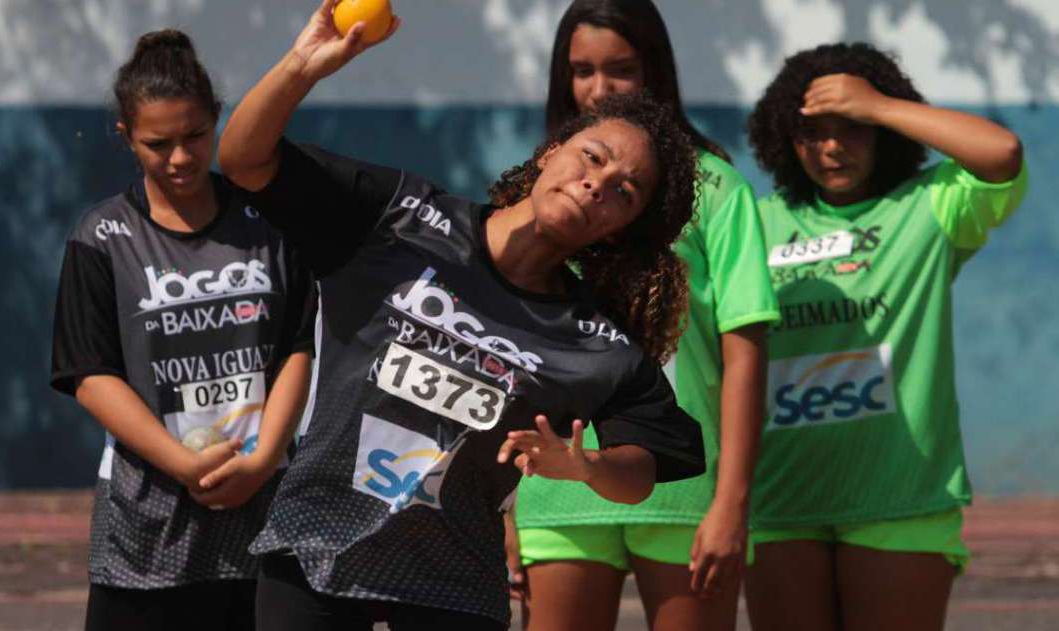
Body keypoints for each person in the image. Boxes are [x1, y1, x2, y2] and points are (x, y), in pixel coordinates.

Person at [216, 2, 706, 629]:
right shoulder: (400, 217)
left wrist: (587, 467)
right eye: (593, 157)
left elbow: (644, 467)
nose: (598, 184)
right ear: (553, 150)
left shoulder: (596, 346)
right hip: (317, 553)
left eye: (624, 191)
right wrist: (300, 68)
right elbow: (244, 161)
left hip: (452, 587)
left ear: (621, 229)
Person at [511, 1, 779, 629]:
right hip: (556, 488)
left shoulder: (715, 188)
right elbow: (514, 349)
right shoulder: (545, 186)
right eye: (580, 70)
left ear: (655, 71)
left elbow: (746, 353)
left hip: (682, 487)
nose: (598, 89)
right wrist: (504, 506)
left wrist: (731, 504)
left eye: (620, 70)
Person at [743, 42, 1027, 631]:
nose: (831, 147)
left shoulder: (931, 207)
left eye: (853, 128)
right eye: (811, 132)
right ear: (784, 139)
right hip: (779, 498)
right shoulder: (757, 222)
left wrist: (884, 106)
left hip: (901, 497)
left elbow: (1001, 153)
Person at [49, 29, 316, 631]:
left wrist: (266, 457)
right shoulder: (102, 238)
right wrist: (183, 464)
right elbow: (90, 374)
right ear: (126, 137)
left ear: (217, 119)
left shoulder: (268, 225)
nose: (179, 158)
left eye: (195, 136)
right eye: (157, 143)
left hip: (266, 507)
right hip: (147, 525)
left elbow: (299, 346)